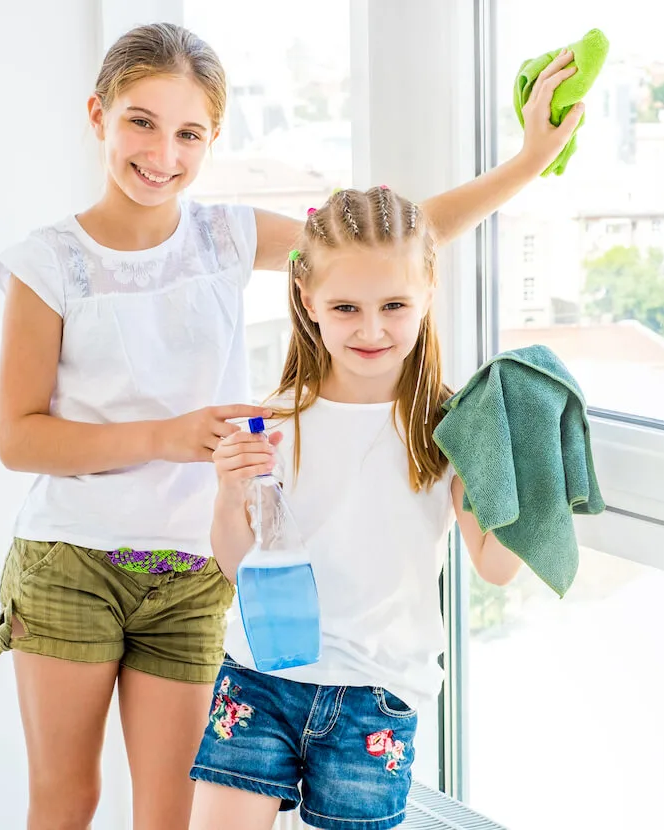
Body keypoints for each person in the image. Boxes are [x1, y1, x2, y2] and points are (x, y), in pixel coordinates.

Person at [0, 21, 582, 830]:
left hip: (197, 575)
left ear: (212, 139)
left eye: (188, 132)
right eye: (141, 122)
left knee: (166, 814)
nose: (163, 153)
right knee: (67, 797)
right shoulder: (49, 261)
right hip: (72, 562)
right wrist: (169, 436)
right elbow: (19, 438)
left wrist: (525, 164)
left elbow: (382, 246)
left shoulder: (225, 236)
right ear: (97, 114)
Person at [190, 186, 526, 830]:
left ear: (428, 291)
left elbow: (497, 566)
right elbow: (237, 566)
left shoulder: (452, 429)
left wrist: (520, 467)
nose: (371, 329)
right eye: (346, 307)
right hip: (261, 678)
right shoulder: (276, 419)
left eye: (393, 305)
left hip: (378, 693)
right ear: (308, 301)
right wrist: (231, 490)